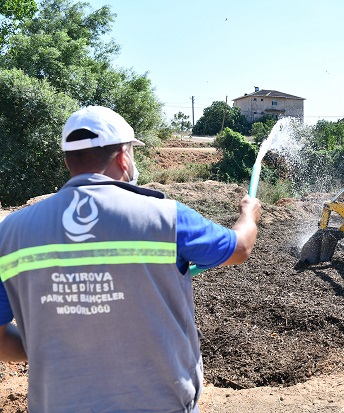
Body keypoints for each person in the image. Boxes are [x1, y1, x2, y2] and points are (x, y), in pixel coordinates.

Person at [0, 106, 261, 412]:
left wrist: (51, 346)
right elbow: (240, 248)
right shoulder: (166, 217)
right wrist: (248, 214)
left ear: (68, 160)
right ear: (124, 156)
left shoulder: (11, 233)